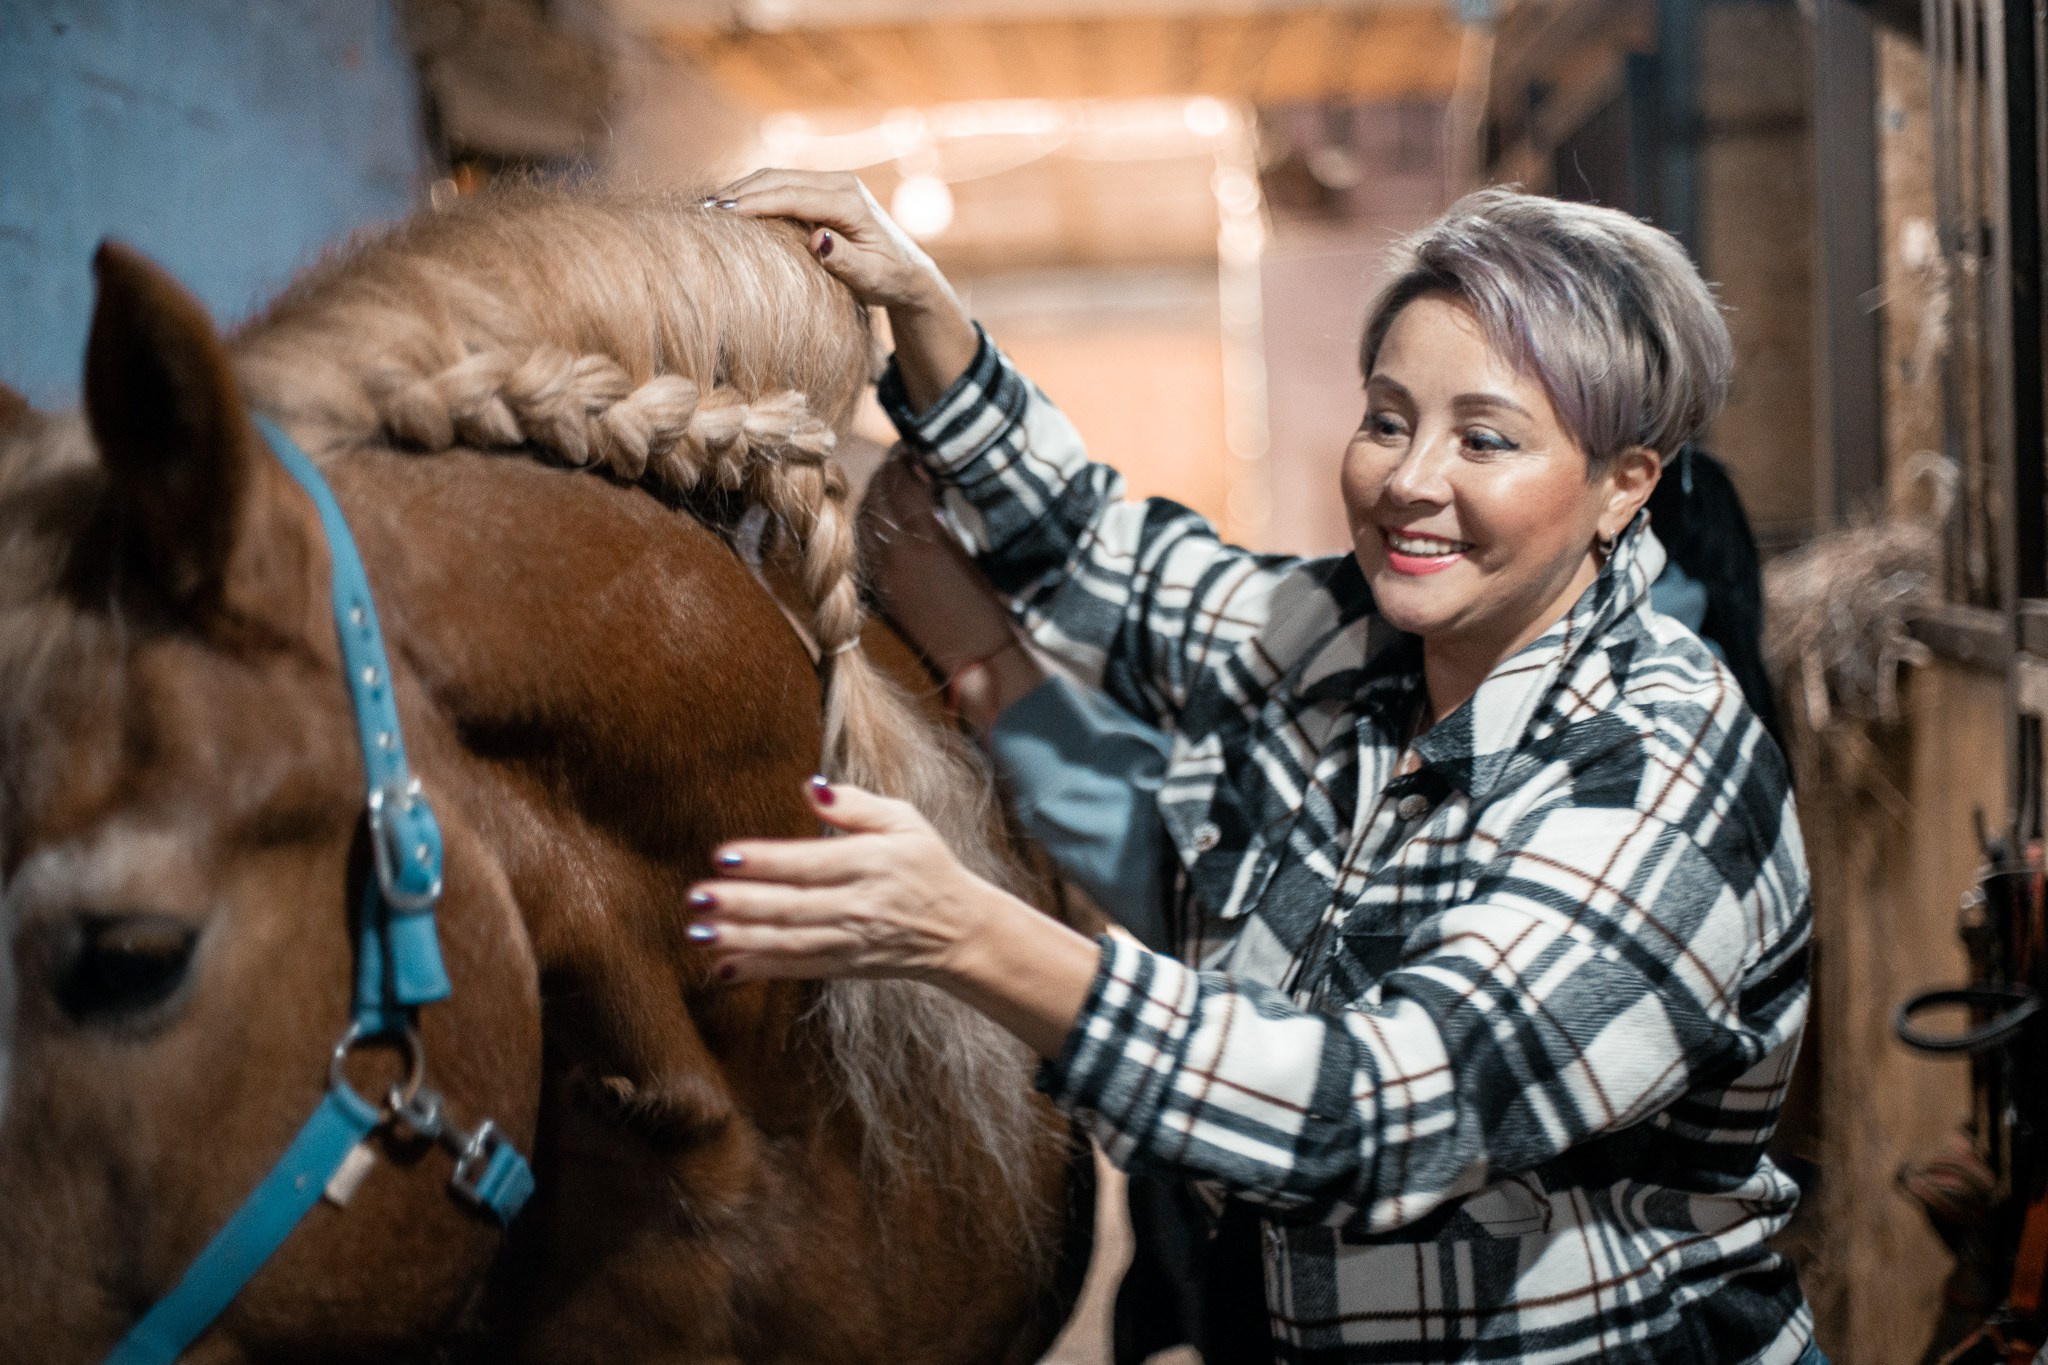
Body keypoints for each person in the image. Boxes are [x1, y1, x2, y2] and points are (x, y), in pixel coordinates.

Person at [684, 175, 1819, 1364]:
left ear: (1622, 482)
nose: (1408, 481)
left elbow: (1376, 1117)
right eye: (1386, 419)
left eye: (1482, 439)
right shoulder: (1347, 634)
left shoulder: (1655, 774)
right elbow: (1087, 550)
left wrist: (964, 933)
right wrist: (919, 306)